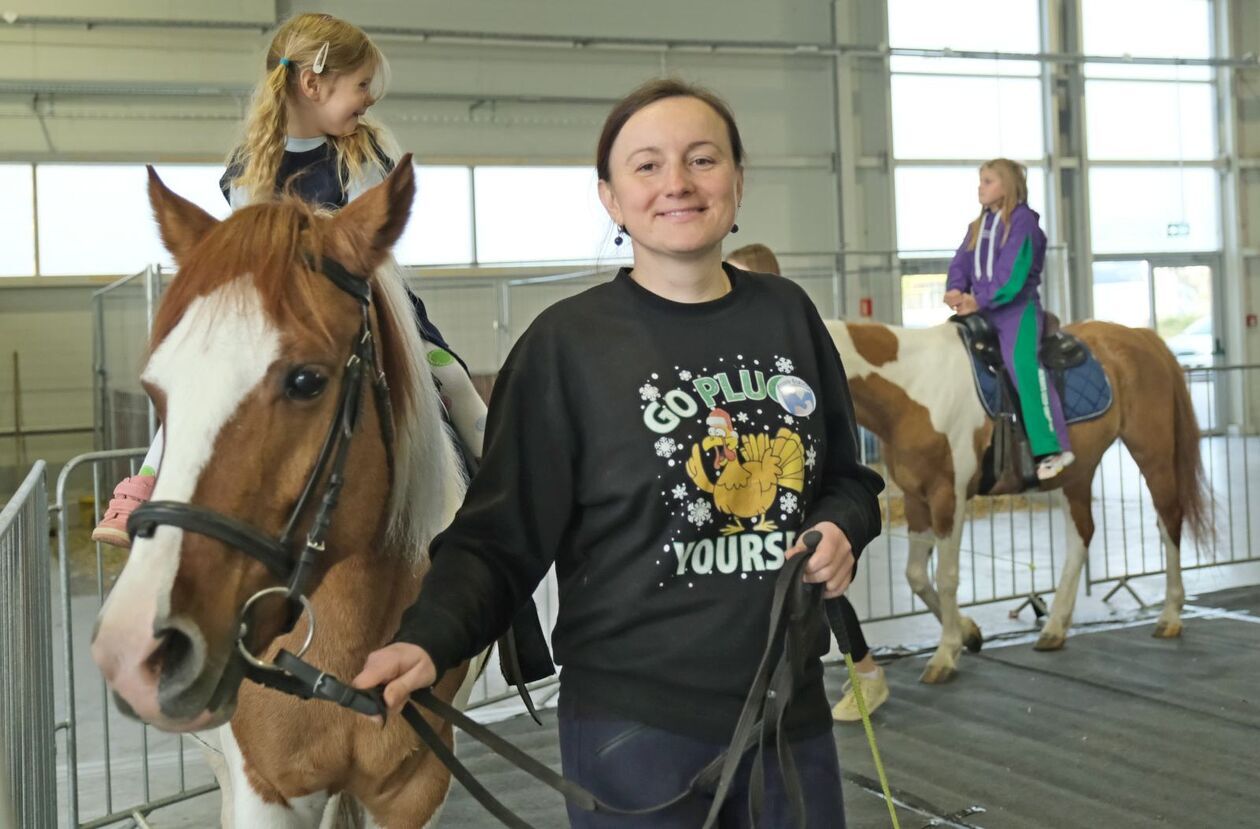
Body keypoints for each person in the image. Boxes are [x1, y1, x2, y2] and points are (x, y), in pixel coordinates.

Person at [353, 78, 885, 828]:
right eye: (647, 165)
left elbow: (848, 480)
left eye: (703, 159)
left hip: (785, 716)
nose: (677, 183)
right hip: (634, 730)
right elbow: (500, 537)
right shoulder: (564, 347)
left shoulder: (788, 316)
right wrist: (427, 639)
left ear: (738, 180)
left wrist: (840, 527)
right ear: (610, 196)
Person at [91, 12, 487, 546]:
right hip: (282, 310)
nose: (370, 98)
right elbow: (260, 254)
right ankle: (146, 482)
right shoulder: (249, 168)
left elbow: (371, 248)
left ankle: (505, 501)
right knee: (204, 389)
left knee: (458, 385)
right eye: (362, 84)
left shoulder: (362, 152)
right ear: (312, 83)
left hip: (372, 304)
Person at [725, 243, 890, 722]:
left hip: (796, 496)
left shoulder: (791, 348)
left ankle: (865, 672)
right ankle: (863, 671)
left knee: (820, 583)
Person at [944, 159, 1074, 481]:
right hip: (979, 309)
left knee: (1022, 366)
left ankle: (1053, 447)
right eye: (981, 180)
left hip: (1017, 311)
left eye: (988, 181)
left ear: (1007, 185)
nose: (981, 187)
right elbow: (961, 260)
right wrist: (955, 289)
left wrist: (980, 300)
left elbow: (1012, 275)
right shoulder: (978, 225)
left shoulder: (1023, 222)